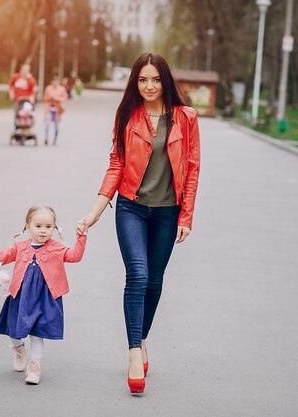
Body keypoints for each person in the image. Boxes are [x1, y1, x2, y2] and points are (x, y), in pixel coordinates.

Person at [76, 52, 201, 395]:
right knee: (139, 275)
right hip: (130, 207)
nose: (149, 86)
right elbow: (116, 165)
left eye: (155, 79)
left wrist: (186, 216)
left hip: (167, 212)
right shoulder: (127, 116)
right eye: (142, 79)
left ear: (165, 81)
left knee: (155, 281)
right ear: (135, 82)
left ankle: (142, 338)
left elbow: (192, 169)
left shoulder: (186, 118)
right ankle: (134, 355)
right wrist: (95, 212)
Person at [0, 205, 87, 385]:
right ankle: (19, 349)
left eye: (48, 226)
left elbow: (75, 256)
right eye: (38, 226)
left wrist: (82, 236)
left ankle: (35, 366)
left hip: (45, 297)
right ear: (27, 226)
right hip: (21, 295)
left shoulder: (57, 248)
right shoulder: (20, 247)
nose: (43, 231)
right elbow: (3, 255)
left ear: (54, 227)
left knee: (37, 333)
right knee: (14, 330)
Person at [43, 77, 69, 145]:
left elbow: (65, 98)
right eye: (54, 81)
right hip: (49, 108)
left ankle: (55, 139)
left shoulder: (62, 89)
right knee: (47, 124)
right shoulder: (48, 88)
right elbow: (45, 97)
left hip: (57, 109)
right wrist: (50, 98)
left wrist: (57, 98)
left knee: (56, 126)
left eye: (56, 82)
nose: (55, 83)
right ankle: (46, 138)